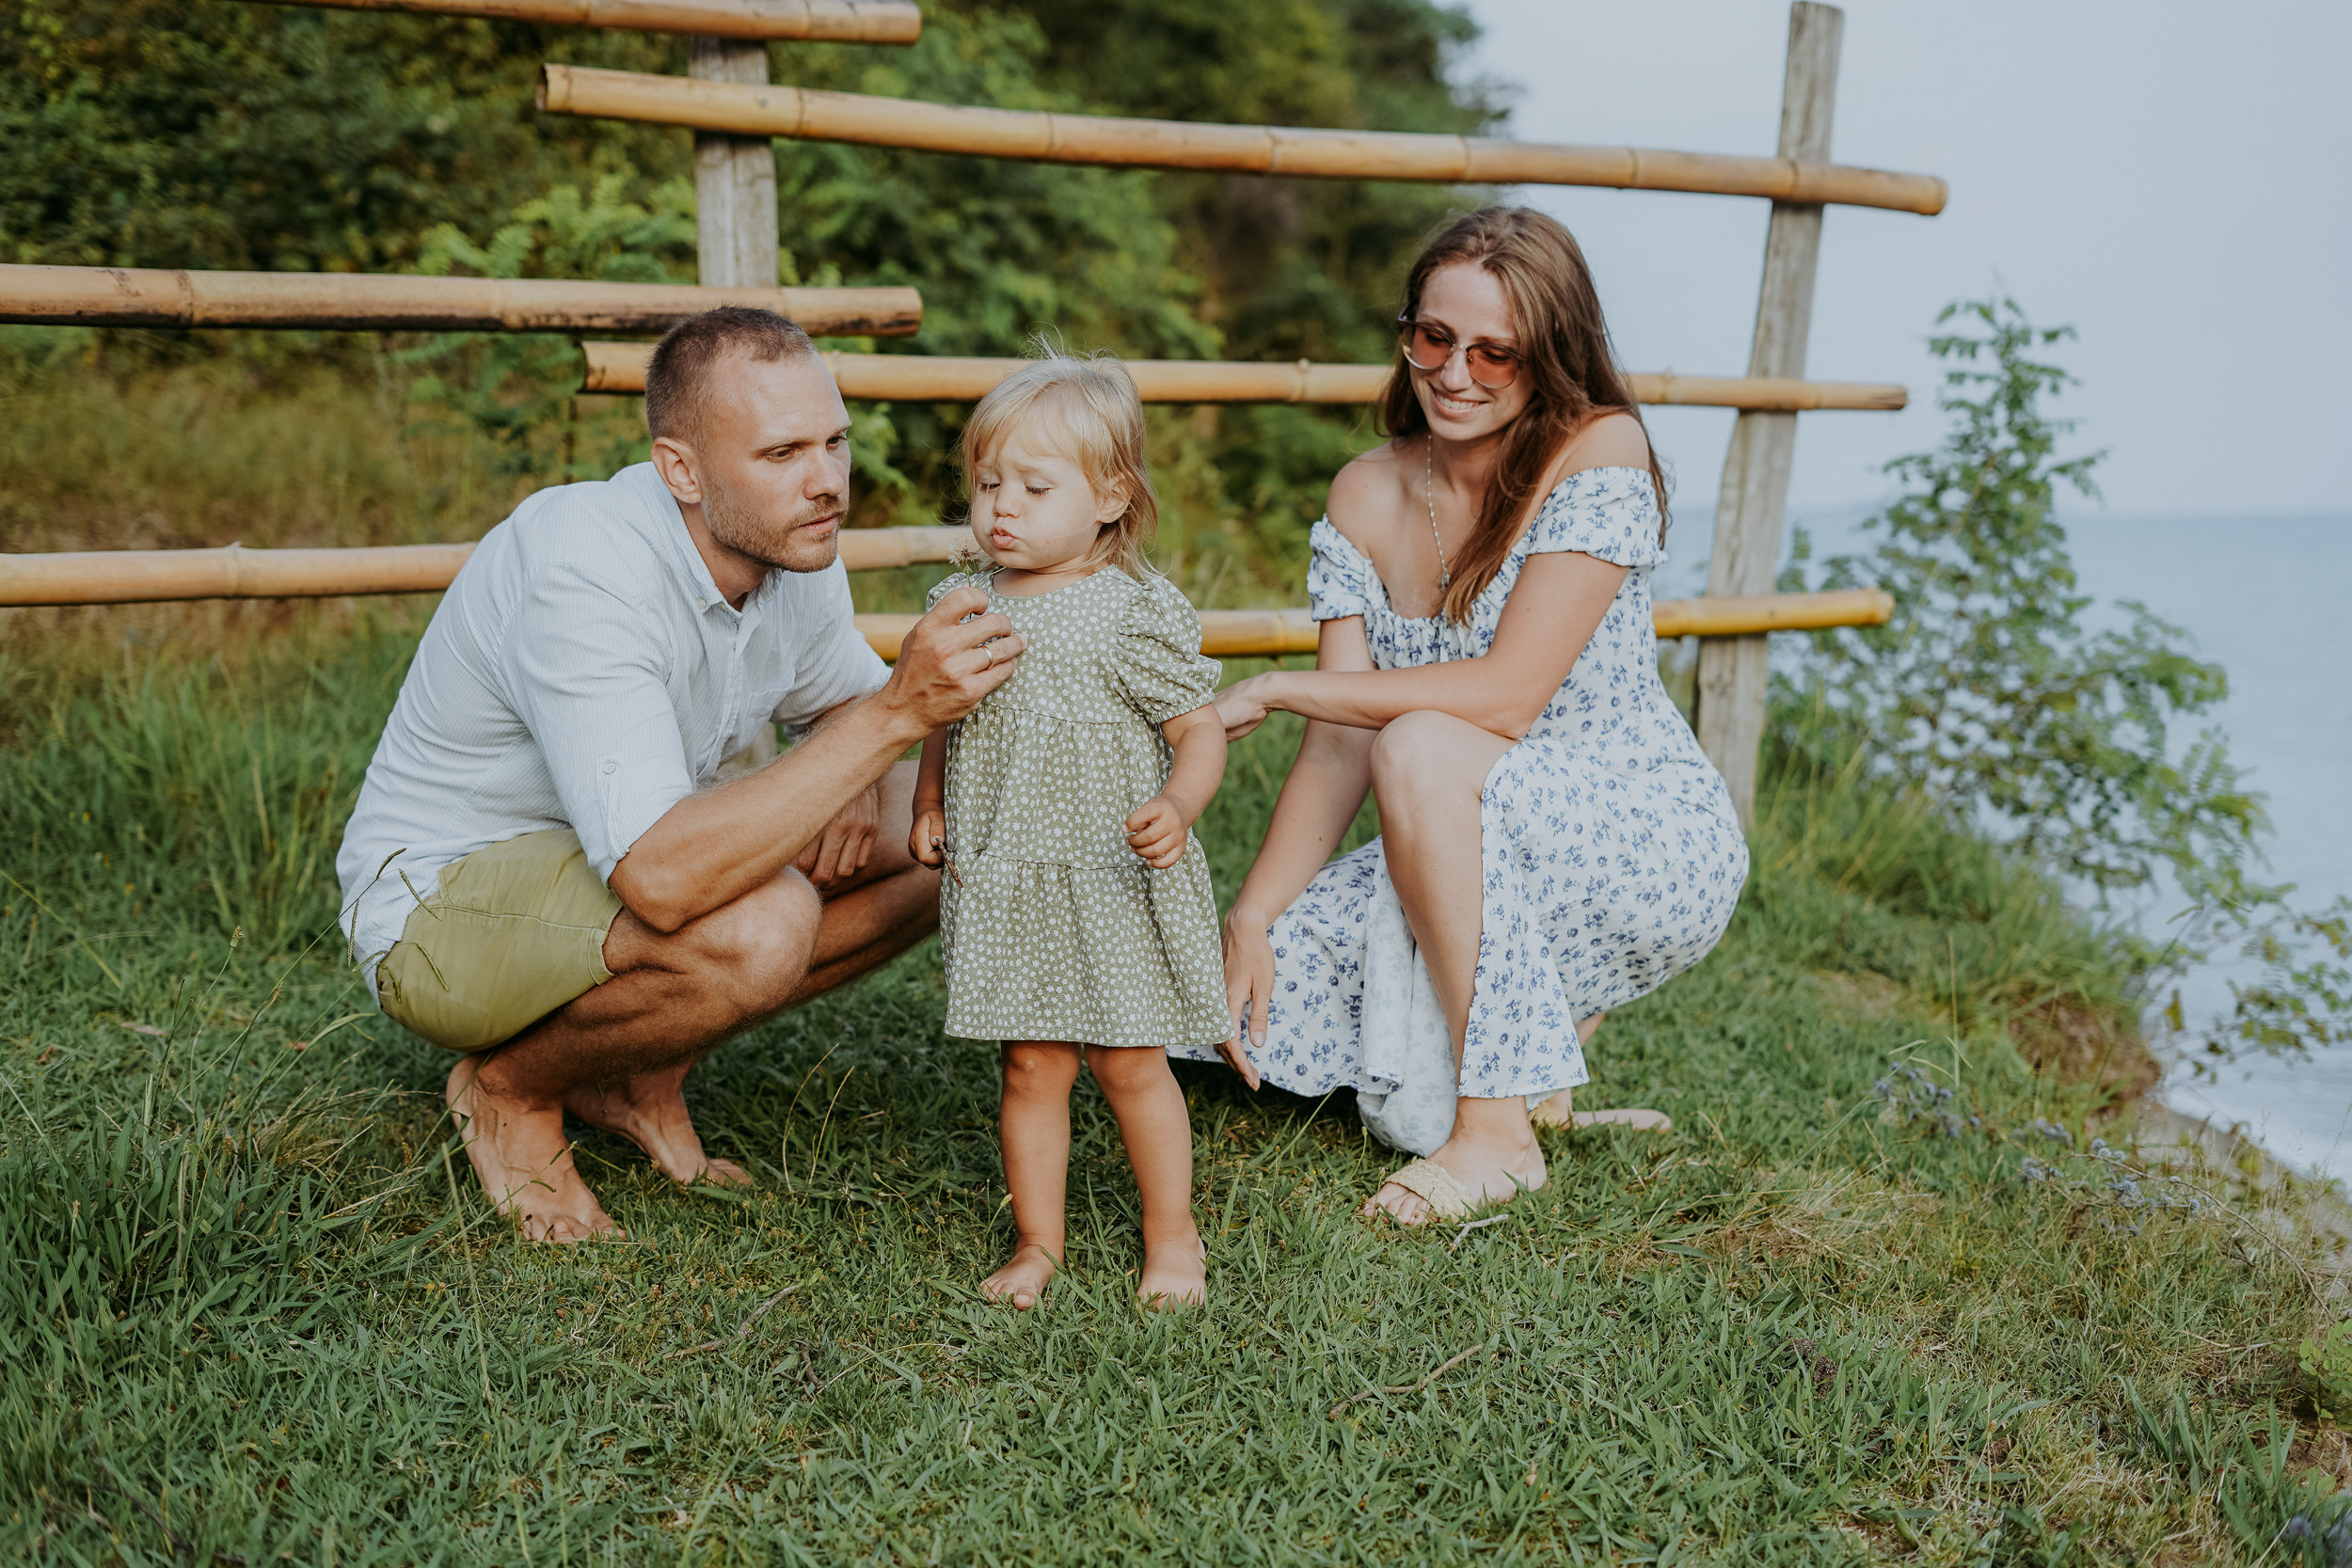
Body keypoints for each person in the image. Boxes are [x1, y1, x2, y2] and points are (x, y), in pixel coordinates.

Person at [335, 306, 1027, 1243]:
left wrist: (859, 769)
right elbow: (661, 876)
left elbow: (840, 705)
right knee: (760, 925)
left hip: (605, 864)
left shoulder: (791, 542)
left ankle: (632, 1068)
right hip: (439, 904)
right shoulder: (586, 564)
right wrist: (891, 717)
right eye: (782, 453)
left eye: (836, 441)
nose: (828, 482)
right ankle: (508, 1090)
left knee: (956, 820)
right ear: (680, 470)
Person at [1187, 207, 1750, 1224]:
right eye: (1433, 337)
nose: (1454, 373)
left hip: (1637, 837)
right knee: (1212, 1015)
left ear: (1552, 357)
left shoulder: (1598, 449)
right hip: (1450, 826)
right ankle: (1539, 1081)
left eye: (1497, 353)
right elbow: (1340, 745)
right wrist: (1253, 914)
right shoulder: (1365, 491)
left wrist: (1275, 683)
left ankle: (1495, 1134)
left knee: (1424, 742)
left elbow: (1504, 695)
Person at [908, 352, 1230, 1309]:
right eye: (988, 482)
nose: (1001, 505)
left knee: (1130, 1058)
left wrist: (1178, 805)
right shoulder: (962, 603)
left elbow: (1197, 728)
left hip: (1108, 872)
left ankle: (1172, 1235)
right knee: (1031, 1060)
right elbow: (938, 713)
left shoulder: (1130, 614)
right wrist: (928, 800)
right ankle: (1037, 1242)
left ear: (1108, 496)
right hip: (1009, 869)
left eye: (1033, 486)